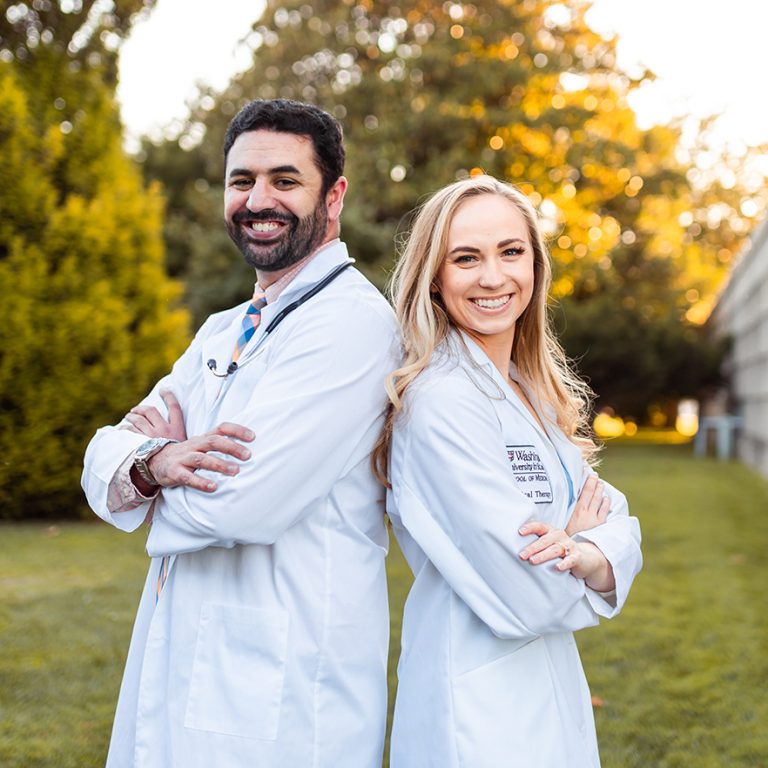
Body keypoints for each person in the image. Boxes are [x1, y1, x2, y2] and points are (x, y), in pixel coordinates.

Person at [82, 99, 400, 768]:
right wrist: (157, 460)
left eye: (285, 181)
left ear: (333, 195)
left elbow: (243, 503)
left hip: (285, 691)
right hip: (187, 663)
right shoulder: (223, 329)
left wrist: (148, 472)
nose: (259, 199)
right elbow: (104, 454)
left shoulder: (351, 325)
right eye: (241, 181)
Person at [372, 175, 642, 767]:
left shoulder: (527, 391)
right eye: (466, 258)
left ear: (536, 266)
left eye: (510, 252)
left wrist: (584, 550)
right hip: (475, 703)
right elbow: (531, 593)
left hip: (545, 683)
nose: (493, 278)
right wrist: (587, 551)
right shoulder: (441, 400)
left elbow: (617, 516)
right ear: (435, 278)